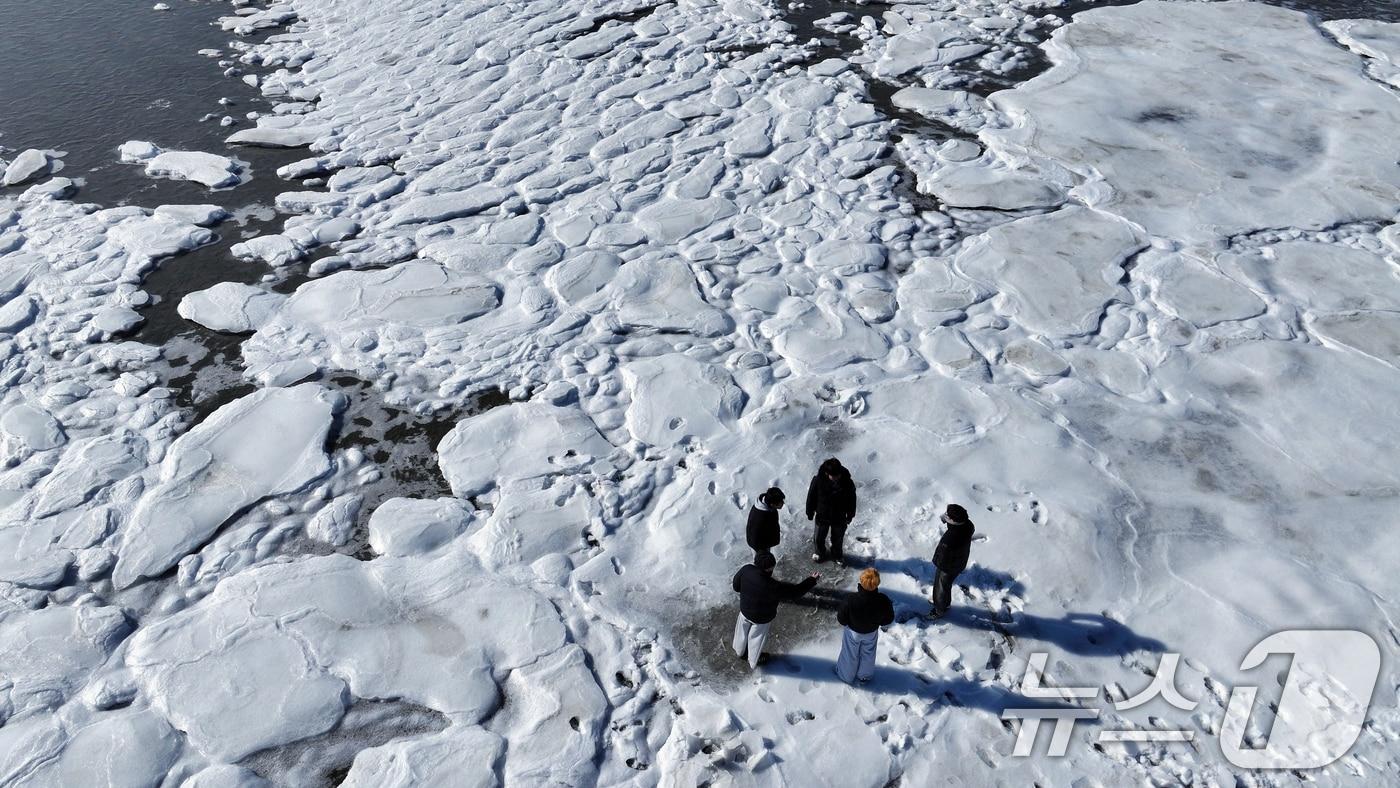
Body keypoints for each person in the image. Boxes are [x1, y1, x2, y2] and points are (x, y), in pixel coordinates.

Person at [732, 552, 820, 669]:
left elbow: (736, 586)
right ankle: (754, 660)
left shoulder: (746, 570)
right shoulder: (773, 585)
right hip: (761, 619)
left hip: (744, 611)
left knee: (741, 632)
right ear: (770, 568)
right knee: (756, 639)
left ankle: (739, 651)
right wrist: (812, 580)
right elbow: (795, 592)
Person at [835, 568, 895, 684]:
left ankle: (845, 676)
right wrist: (879, 622)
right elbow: (889, 618)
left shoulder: (850, 599)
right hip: (871, 632)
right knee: (868, 654)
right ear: (877, 583)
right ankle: (865, 675)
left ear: (861, 582)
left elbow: (841, 619)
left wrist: (848, 622)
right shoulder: (883, 600)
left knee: (850, 653)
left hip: (853, 633)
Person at [805, 457, 856, 564]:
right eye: (834, 476)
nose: (837, 478)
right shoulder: (818, 480)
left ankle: (837, 555)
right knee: (819, 537)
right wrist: (810, 511)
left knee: (838, 538)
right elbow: (811, 497)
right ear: (826, 473)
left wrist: (850, 515)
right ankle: (819, 552)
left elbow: (852, 499)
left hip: (839, 516)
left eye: (838, 475)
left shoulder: (848, 482)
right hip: (822, 515)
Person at [929, 503, 975, 618]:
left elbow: (942, 557)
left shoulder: (950, 539)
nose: (945, 517)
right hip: (959, 562)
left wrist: (936, 562)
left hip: (947, 567)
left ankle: (939, 609)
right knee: (946, 585)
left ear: (954, 521)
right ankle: (946, 604)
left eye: (948, 516)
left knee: (941, 587)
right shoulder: (967, 525)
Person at [745, 486, 785, 561]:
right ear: (773, 504)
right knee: (761, 563)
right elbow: (754, 537)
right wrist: (763, 551)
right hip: (759, 546)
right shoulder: (760, 517)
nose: (783, 503)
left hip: (764, 541)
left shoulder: (769, 507)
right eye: (781, 502)